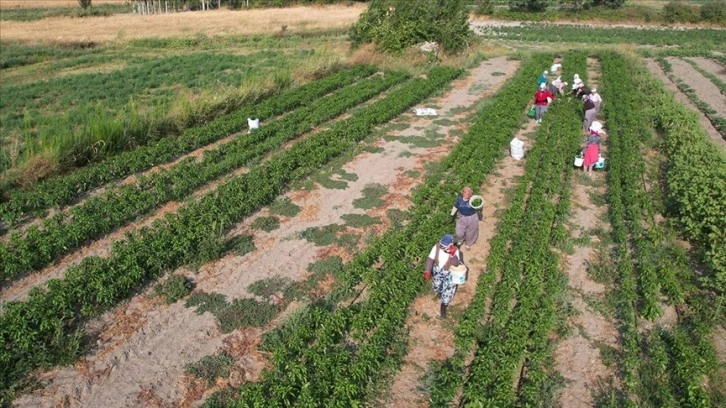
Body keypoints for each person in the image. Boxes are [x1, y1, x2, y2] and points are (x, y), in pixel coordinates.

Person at [423, 233, 463, 319]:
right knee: (436, 285)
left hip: (449, 273)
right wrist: (427, 271)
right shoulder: (436, 247)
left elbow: (457, 264)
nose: (442, 247)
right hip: (438, 270)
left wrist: (452, 255)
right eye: (441, 245)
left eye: (444, 246)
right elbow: (430, 259)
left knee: (448, 291)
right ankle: (439, 292)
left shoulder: (455, 250)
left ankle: (443, 307)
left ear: (450, 245)